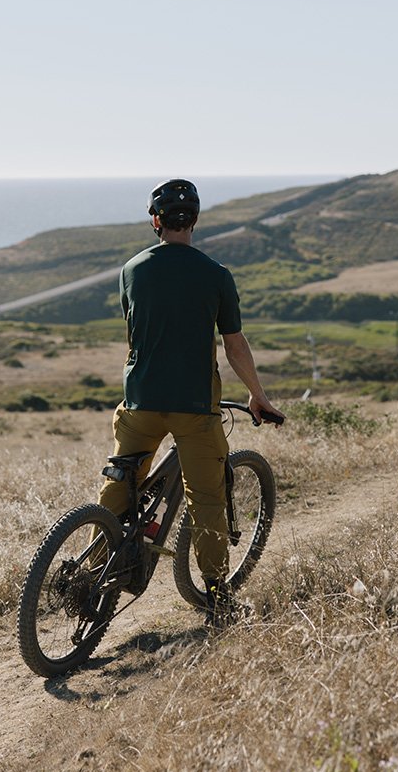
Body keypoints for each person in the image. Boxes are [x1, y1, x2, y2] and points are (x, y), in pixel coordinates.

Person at [97, 178, 285, 628]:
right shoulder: (216, 275)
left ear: (156, 222)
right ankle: (218, 596)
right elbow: (234, 345)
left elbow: (134, 334)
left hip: (139, 399)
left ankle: (99, 564)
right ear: (195, 222)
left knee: (122, 481)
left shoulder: (131, 270)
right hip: (194, 407)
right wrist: (257, 397)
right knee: (206, 500)